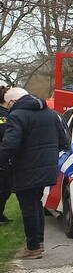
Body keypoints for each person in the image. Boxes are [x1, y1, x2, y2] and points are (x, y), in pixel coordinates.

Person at [0, 87, 70, 259]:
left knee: (29, 208)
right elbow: (64, 141)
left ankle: (33, 247)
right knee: (37, 204)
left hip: (26, 169)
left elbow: (10, 145)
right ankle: (38, 244)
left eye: (8, 105)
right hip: (47, 168)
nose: (8, 109)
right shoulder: (51, 113)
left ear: (12, 102)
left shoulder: (16, 116)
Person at [0, 86, 11, 225]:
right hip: (2, 156)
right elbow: (5, 133)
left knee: (6, 188)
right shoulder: (3, 116)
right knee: (4, 187)